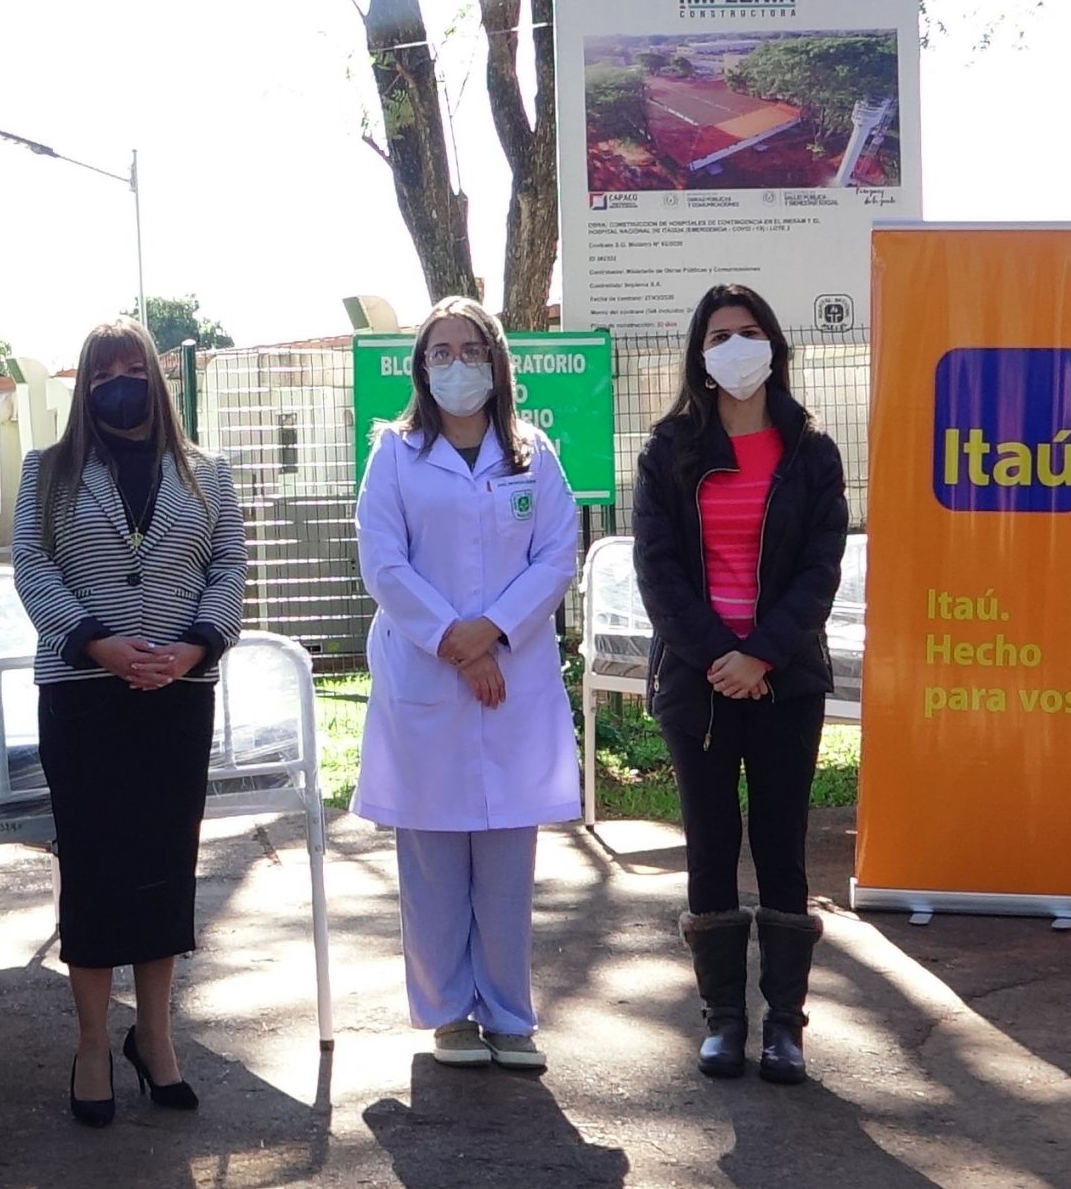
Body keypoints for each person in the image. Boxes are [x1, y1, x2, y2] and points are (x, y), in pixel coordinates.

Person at [11, 317, 245, 1128]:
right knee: (96, 865)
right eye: (104, 370)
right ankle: (89, 1043)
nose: (121, 381)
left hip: (178, 693)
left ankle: (155, 1036)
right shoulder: (48, 471)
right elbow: (32, 568)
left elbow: (228, 567)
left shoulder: (207, 471)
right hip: (84, 692)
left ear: (157, 375)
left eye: (133, 367)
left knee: (163, 864)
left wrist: (191, 648)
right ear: (85, 383)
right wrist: (98, 644)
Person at [352, 296, 580, 1072]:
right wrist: (458, 640)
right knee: (434, 858)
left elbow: (557, 555)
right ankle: (448, 1012)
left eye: (471, 348)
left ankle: (511, 1015)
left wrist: (495, 631)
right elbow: (384, 562)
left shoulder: (533, 455)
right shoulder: (395, 454)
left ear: (496, 362)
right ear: (421, 368)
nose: (457, 364)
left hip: (509, 678)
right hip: (430, 675)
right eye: (440, 351)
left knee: (508, 858)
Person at [631, 283, 847, 1086]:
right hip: (698, 681)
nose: (736, 347)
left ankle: (785, 1025)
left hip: (786, 679)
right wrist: (722, 654)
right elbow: (656, 568)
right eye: (720, 335)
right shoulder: (668, 450)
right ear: (699, 355)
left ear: (774, 345)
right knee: (712, 846)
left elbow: (822, 567)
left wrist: (762, 654)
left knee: (783, 847)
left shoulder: (811, 451)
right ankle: (724, 1018)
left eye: (750, 331)